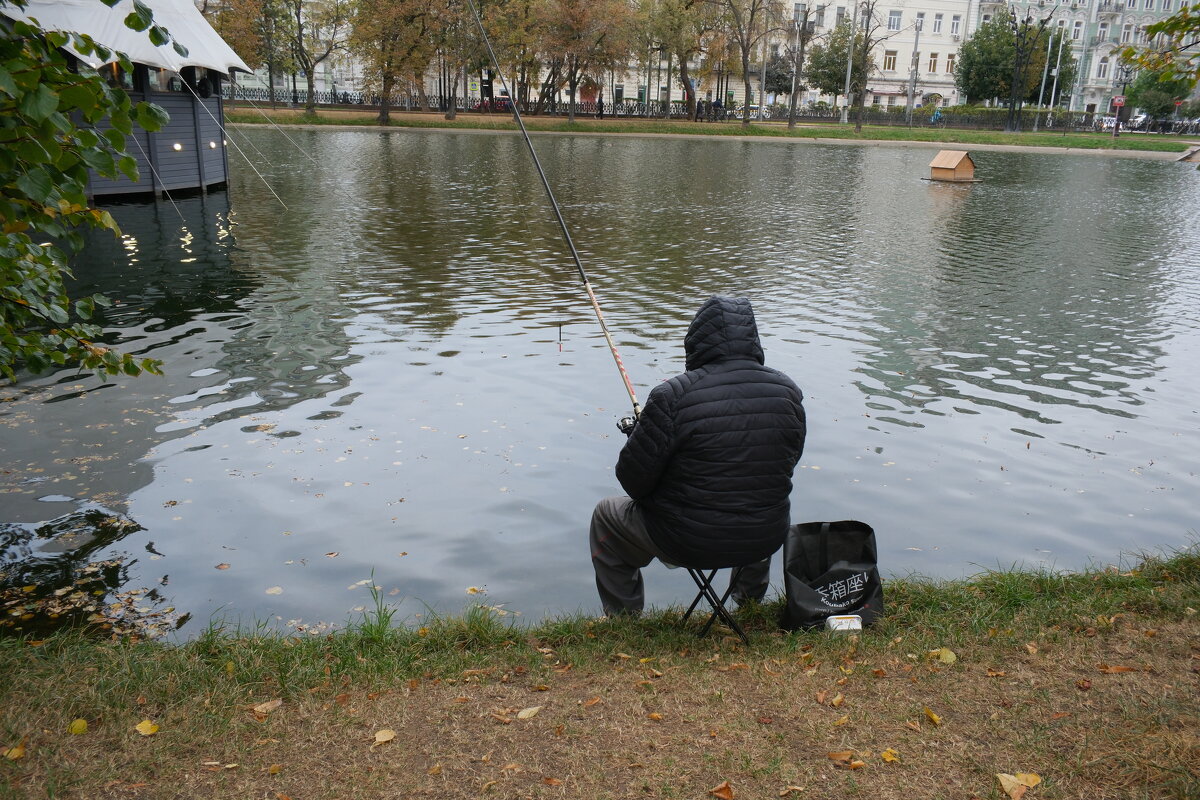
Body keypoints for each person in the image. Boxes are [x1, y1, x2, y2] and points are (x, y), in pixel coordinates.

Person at [589, 296, 807, 617]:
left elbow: (633, 482)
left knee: (606, 514)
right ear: (753, 338)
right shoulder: (788, 391)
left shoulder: (671, 396)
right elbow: (787, 460)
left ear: (696, 340)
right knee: (758, 497)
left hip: (686, 542)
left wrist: (639, 435)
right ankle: (749, 606)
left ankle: (624, 619)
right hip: (764, 537)